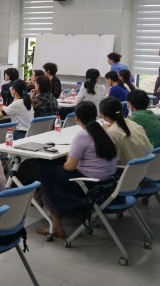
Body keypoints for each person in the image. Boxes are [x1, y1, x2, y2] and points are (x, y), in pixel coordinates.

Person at [36, 102, 117, 239]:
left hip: (88, 183)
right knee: (55, 169)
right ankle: (72, 211)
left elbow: (69, 167)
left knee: (47, 171)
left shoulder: (83, 135)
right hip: (107, 182)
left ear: (77, 118)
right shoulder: (105, 131)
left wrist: (69, 156)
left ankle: (57, 225)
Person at [100, 97, 152, 166]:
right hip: (146, 166)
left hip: (129, 170)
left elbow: (111, 161)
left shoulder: (112, 132)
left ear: (103, 115)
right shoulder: (131, 123)